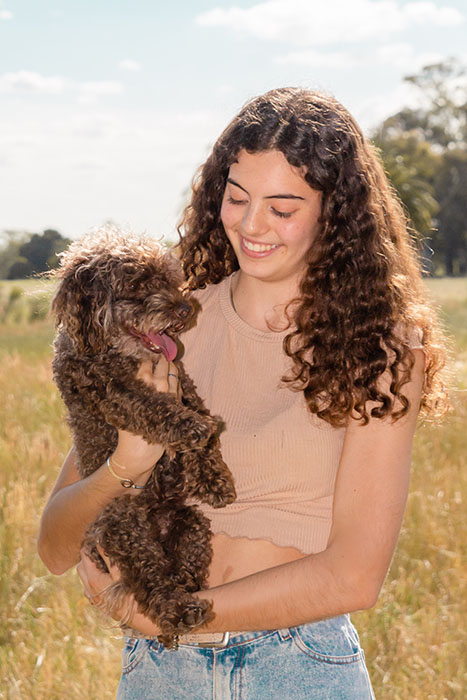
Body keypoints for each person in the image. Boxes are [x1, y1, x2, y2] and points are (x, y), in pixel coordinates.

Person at [38, 87, 448, 699]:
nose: (252, 226)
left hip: (299, 668)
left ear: (334, 214)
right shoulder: (162, 330)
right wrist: (122, 470)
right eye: (236, 198)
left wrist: (179, 614)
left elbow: (355, 577)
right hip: (158, 671)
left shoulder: (382, 351)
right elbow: (54, 546)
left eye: (283, 208)